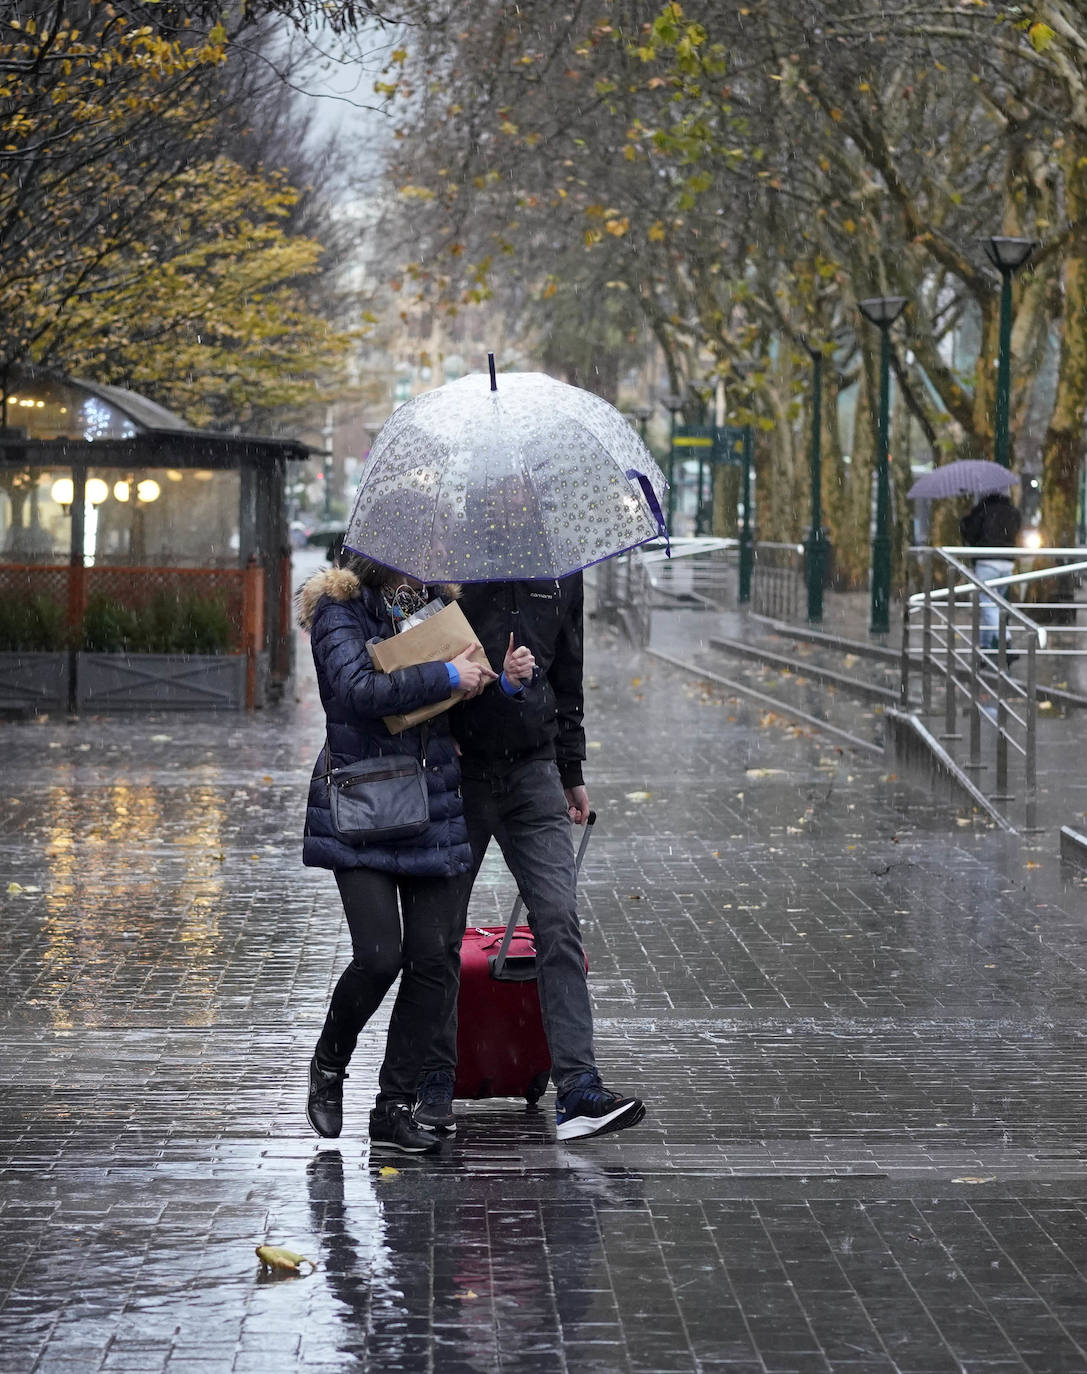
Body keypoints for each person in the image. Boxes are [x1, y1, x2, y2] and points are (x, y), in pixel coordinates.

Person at [412, 573, 646, 1143]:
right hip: (459, 774)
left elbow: (569, 676)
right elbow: (418, 656)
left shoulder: (562, 570)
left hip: (534, 771)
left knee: (559, 922)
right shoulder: (451, 561)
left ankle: (579, 1089)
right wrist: (468, 699)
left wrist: (572, 772)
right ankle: (432, 1082)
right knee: (438, 935)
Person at [297, 552, 499, 1154]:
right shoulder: (339, 608)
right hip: (363, 805)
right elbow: (357, 691)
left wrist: (496, 679)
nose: (423, 564)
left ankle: (393, 1106)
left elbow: (461, 685)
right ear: (374, 553)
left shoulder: (432, 604)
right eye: (410, 555)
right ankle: (331, 1062)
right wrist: (445, 678)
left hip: (431, 801)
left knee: (434, 960)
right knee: (381, 955)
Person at [960, 492, 1021, 652]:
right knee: (996, 606)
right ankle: (985, 648)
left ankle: (1005, 641)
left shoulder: (982, 510)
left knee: (987, 604)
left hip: (987, 562)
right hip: (1007, 563)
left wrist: (966, 518)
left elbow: (970, 533)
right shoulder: (1012, 512)